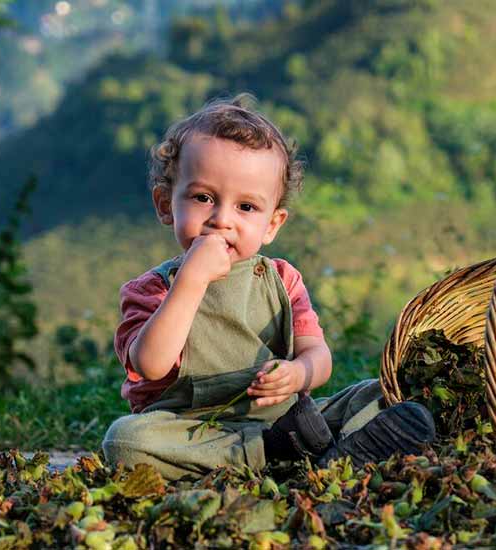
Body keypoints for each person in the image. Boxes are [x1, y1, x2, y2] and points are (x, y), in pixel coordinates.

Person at [101, 95, 435, 480]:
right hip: (194, 430)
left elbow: (318, 356)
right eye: (203, 198)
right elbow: (151, 364)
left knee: (377, 392)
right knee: (125, 440)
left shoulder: (282, 280)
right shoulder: (153, 289)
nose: (222, 220)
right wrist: (191, 279)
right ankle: (285, 452)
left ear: (272, 225)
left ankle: (319, 445)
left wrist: (299, 373)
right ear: (165, 204)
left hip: (285, 420)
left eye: (246, 207)